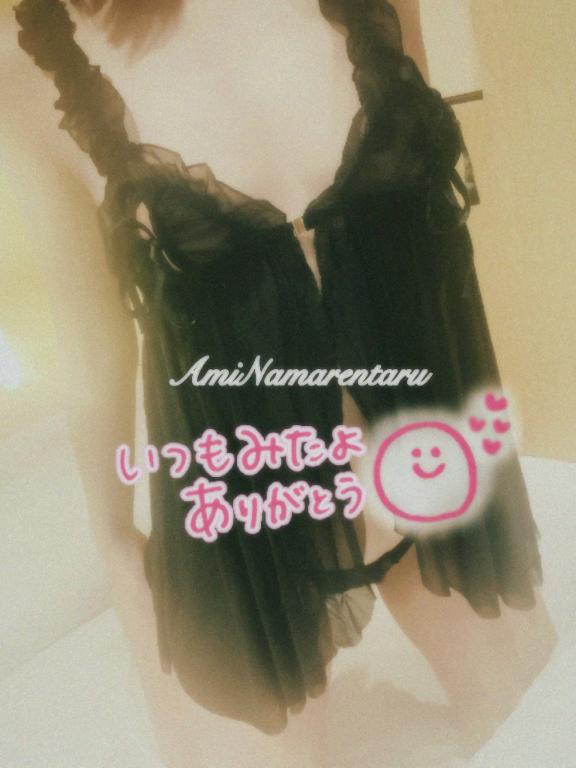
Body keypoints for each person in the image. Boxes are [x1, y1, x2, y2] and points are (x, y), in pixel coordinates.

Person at [6, 0, 557, 764]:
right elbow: (91, 349)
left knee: (542, 724)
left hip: (427, 464)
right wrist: (118, 550)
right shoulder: (31, 63)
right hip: (242, 519)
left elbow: (435, 246)